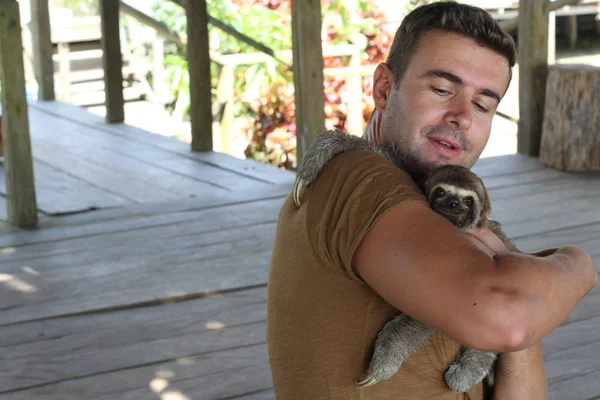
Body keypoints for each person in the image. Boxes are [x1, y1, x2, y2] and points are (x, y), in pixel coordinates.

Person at [265, 1, 598, 399]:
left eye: (482, 104)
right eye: (442, 89)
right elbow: (508, 320)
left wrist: (521, 295)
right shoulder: (358, 177)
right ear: (385, 89)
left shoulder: (432, 219)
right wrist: (576, 267)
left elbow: (518, 344)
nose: (462, 116)